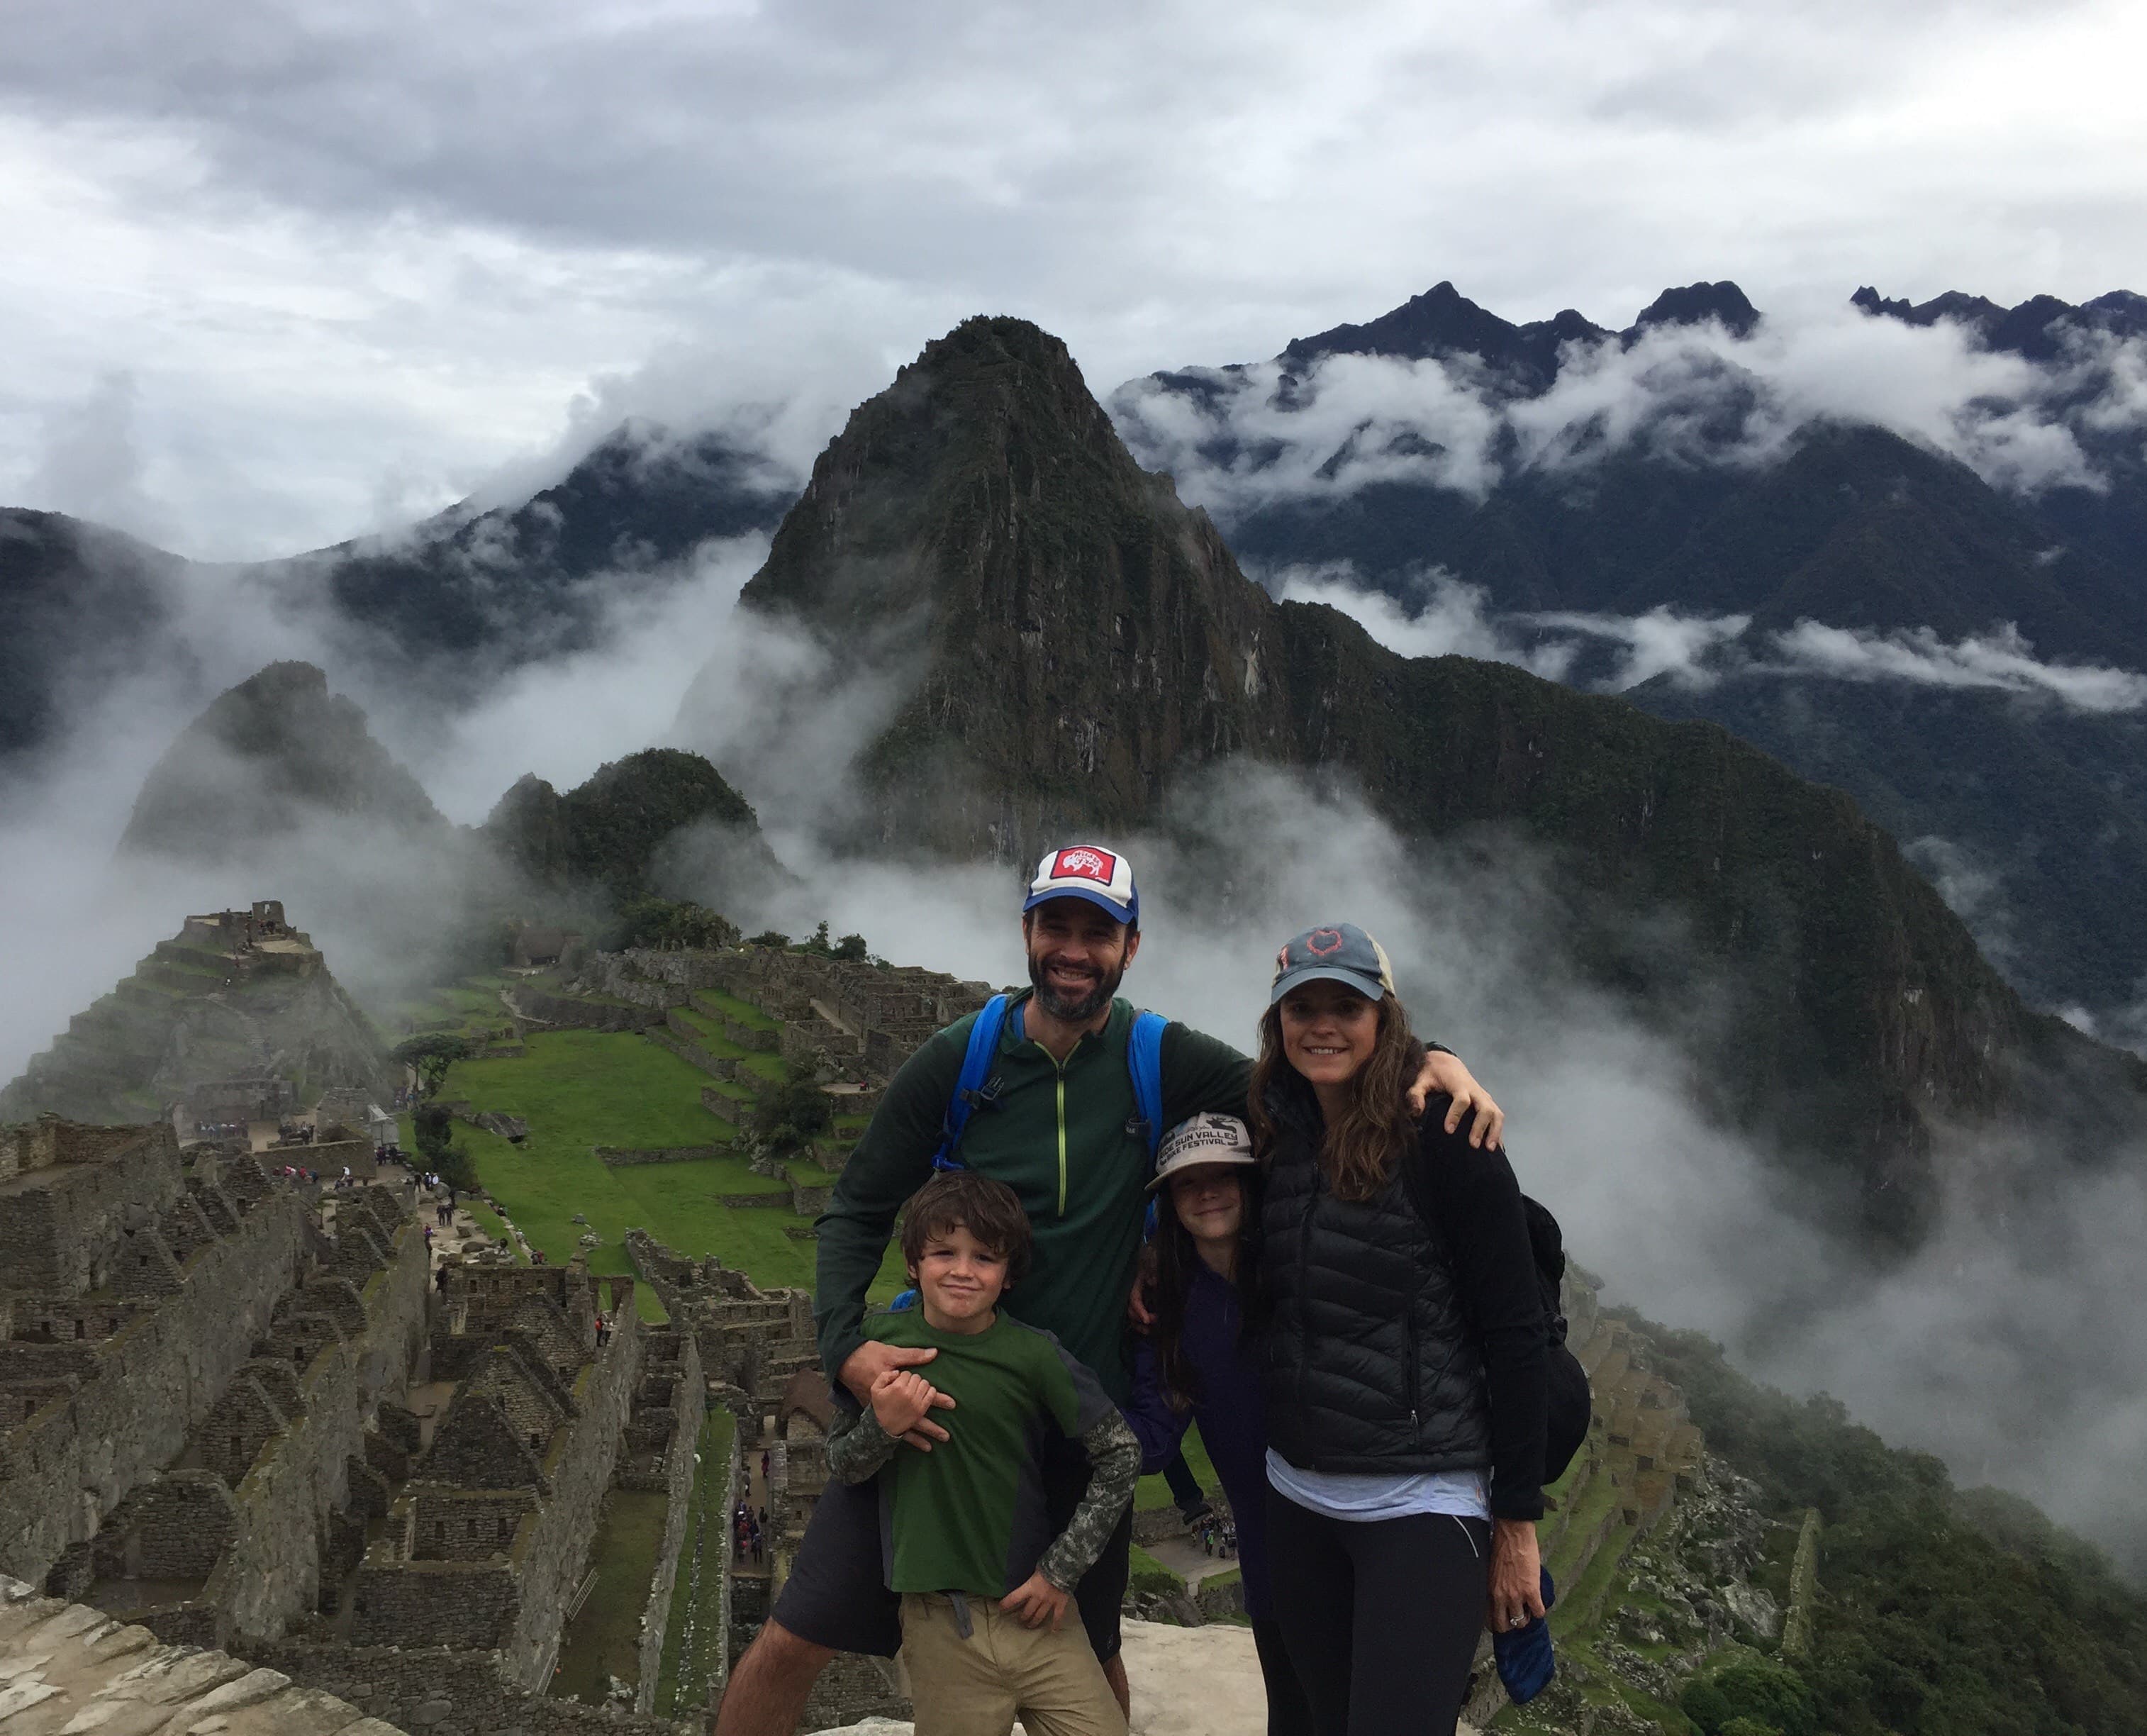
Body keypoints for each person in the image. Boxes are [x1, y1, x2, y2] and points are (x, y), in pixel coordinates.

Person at [713, 845, 1503, 1736]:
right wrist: (845, 1350)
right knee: (795, 1637)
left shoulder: (1155, 1056)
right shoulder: (960, 1063)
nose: (1074, 950)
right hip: (936, 1409)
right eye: (1057, 927)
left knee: (1091, 1655)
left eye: (1099, 932)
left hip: (1075, 1420)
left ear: (1131, 948)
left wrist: (1428, 1058)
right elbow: (856, 1209)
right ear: (1027, 933)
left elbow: (1303, 1071)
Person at [1254, 925, 1547, 1736]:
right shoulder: (1273, 1133)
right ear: (1276, 1024)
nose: (1321, 1026)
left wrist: (1516, 1522)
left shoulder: (1450, 1139)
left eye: (1345, 1006)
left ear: (1384, 1018)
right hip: (1298, 1496)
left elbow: (1516, 1333)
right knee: (1315, 1722)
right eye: (1300, 1007)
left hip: (1419, 1502)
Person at [825, 1172, 1141, 1736]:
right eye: (944, 1252)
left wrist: (1060, 1571)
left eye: (985, 1257)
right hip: (941, 1628)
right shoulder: (881, 1349)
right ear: (914, 1262)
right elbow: (843, 1464)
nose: (963, 1271)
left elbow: (1120, 1454)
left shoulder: (1033, 1354)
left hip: (1038, 1614)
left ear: (1009, 1273)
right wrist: (884, 1425)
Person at [1121, 1113, 1310, 1736]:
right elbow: (1152, 1437)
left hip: (1349, 1528)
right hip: (1266, 1545)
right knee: (1292, 1713)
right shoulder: (1170, 1309)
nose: (1207, 1193)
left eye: (1222, 1177)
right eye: (1187, 1183)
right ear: (1170, 1205)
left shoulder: (1302, 1271)